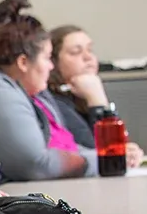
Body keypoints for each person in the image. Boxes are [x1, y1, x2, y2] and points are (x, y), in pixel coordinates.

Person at [0, 0, 96, 182]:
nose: (51, 67)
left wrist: (105, 155)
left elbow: (66, 149)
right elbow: (36, 165)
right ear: (23, 62)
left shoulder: (27, 92)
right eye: (46, 58)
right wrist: (103, 161)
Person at [48, 25, 143, 167]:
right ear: (53, 63)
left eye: (89, 49)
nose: (88, 57)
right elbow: (98, 153)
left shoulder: (82, 95)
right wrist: (97, 100)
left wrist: (129, 151)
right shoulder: (54, 102)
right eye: (76, 52)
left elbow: (116, 146)